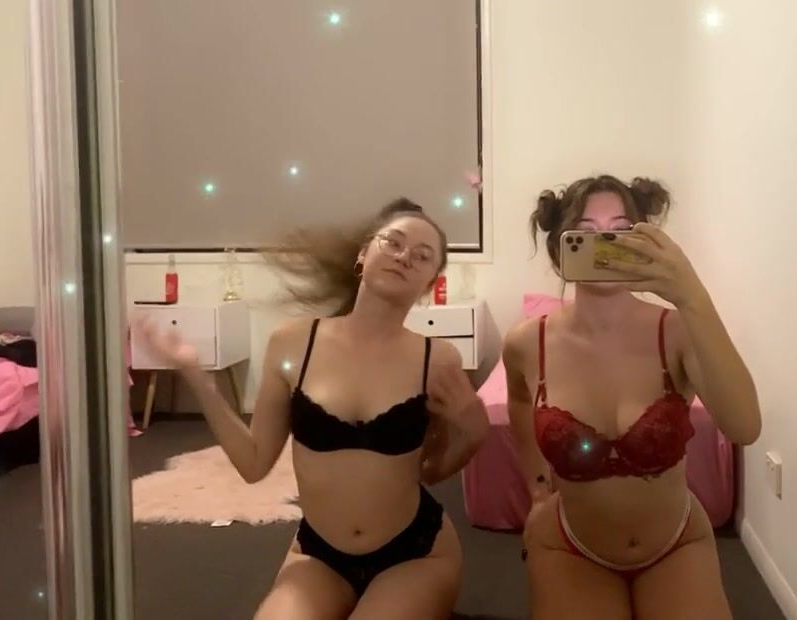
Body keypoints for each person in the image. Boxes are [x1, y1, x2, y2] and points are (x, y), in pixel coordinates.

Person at [137, 199, 488, 619]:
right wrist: (196, 375)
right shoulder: (293, 343)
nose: (403, 257)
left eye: (422, 255)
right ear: (363, 254)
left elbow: (430, 470)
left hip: (415, 552)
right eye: (393, 242)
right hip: (319, 554)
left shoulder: (438, 359)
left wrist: (472, 433)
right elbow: (253, 464)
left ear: (431, 282)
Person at [504, 175, 762, 619]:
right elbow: (520, 404)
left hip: (677, 543)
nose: (605, 243)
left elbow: (745, 427)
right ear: (560, 252)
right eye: (585, 232)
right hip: (570, 545)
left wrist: (692, 296)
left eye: (621, 231)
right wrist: (538, 487)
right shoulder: (527, 343)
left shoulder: (676, 331)